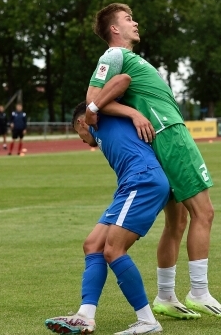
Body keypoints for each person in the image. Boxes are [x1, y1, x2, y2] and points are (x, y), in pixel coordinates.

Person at [85, 3, 221, 319]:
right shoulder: (113, 55)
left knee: (178, 221)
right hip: (169, 134)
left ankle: (166, 296)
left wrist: (130, 111)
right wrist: (132, 112)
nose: (134, 22)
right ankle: (199, 291)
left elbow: (104, 100)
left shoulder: (128, 60)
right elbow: (92, 103)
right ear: (114, 29)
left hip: (161, 136)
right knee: (204, 212)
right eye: (127, 19)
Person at [45, 102, 167, 335]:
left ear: (82, 122)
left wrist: (101, 108)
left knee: (113, 250)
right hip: (129, 186)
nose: (81, 139)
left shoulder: (94, 118)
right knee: (93, 244)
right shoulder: (100, 128)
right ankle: (85, 316)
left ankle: (148, 321)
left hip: (142, 181)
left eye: (77, 132)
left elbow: (119, 81)